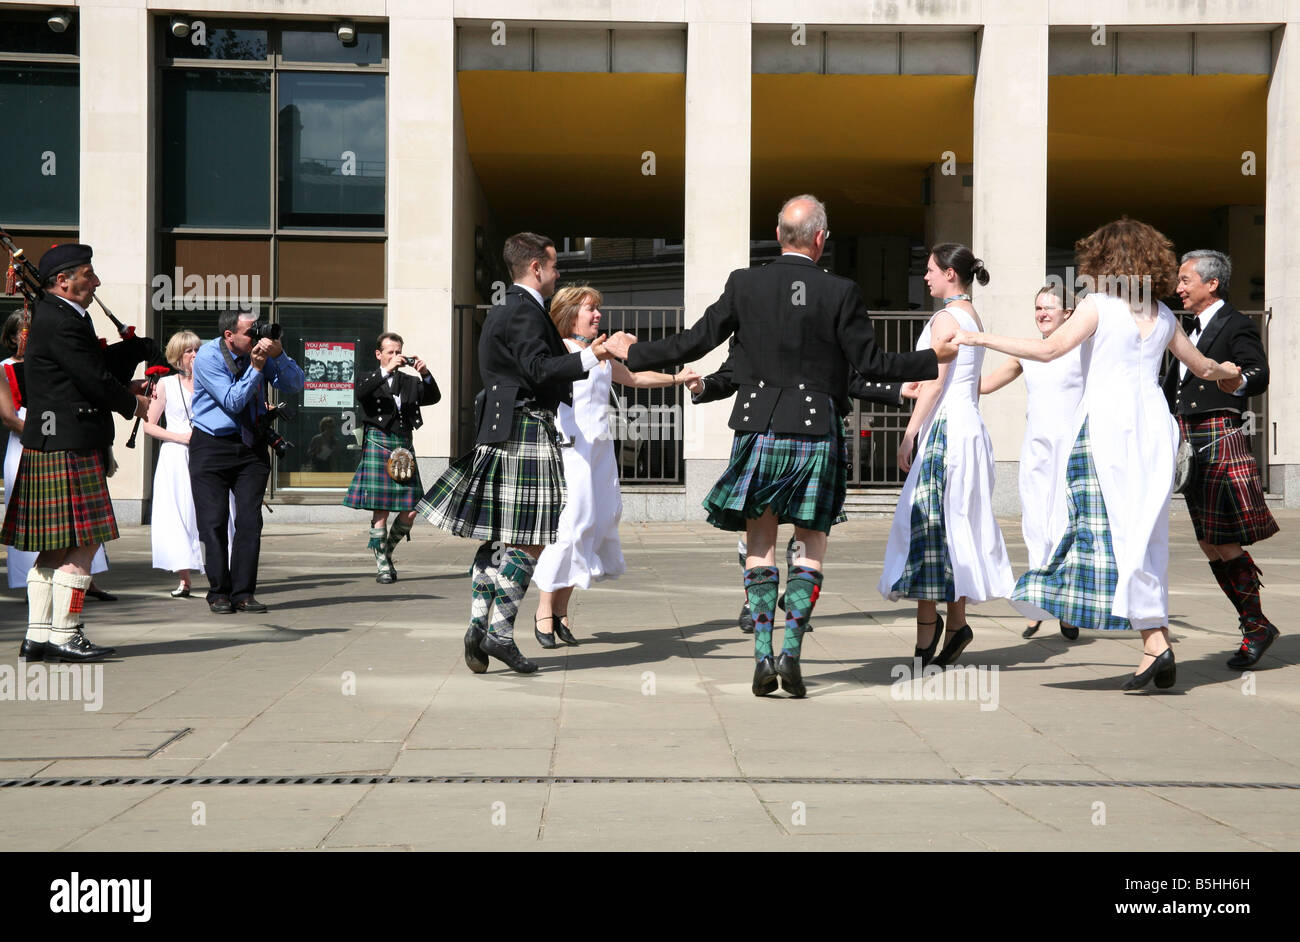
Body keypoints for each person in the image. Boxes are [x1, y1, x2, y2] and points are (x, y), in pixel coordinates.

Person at [603, 195, 953, 698]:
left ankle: (762, 657)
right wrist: (931, 359)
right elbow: (870, 363)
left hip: (758, 427)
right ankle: (791, 653)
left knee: (760, 545)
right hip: (816, 431)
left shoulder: (745, 284)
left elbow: (693, 342)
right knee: (810, 545)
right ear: (819, 238)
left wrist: (633, 352)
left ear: (778, 233)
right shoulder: (841, 291)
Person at [953, 218, 1242, 690]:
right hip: (1153, 428)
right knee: (1144, 536)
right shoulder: (1164, 315)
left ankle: (1147, 637)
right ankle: (1155, 641)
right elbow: (1202, 365)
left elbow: (1049, 351)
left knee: (1101, 529)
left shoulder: (1099, 306)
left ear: (1105, 261)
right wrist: (1227, 371)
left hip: (1107, 425)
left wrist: (981, 338)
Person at [418, 233, 630, 675]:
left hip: (503, 427)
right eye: (554, 267)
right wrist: (593, 354)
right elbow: (539, 369)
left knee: (499, 537)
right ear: (536, 267)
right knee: (532, 537)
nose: (557, 274)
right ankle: (498, 633)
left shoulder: (509, 309)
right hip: (522, 428)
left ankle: (479, 626)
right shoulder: (525, 311)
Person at [690, 339, 914, 634]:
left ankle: (795, 601)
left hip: (813, 430)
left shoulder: (820, 318)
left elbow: (846, 377)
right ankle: (754, 603)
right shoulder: (752, 317)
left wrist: (896, 389)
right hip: (763, 429)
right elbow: (732, 373)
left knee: (806, 527)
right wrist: (703, 386)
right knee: (756, 527)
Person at [1, 244, 149, 661]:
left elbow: (86, 373)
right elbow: (92, 379)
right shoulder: (63, 320)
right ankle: (66, 634)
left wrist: (126, 377)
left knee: (53, 547)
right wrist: (131, 403)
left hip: (55, 443)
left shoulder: (53, 315)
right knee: (85, 542)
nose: (96, 281)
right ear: (62, 281)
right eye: (89, 274)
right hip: (69, 443)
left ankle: (37, 635)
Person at [531, 285, 699, 647]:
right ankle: (544, 611)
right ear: (569, 313)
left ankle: (560, 612)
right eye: (591, 309)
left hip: (599, 451)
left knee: (594, 524)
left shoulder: (602, 356)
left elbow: (635, 378)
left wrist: (677, 379)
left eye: (598, 310)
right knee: (570, 527)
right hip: (571, 449)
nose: (598, 316)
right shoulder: (562, 351)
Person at [877, 244, 1014, 668]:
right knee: (955, 526)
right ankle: (955, 625)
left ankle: (929, 635)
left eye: (931, 269)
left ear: (951, 274)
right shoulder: (972, 316)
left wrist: (908, 433)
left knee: (926, 526)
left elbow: (935, 382)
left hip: (946, 431)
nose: (926, 277)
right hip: (969, 428)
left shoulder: (945, 317)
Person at [1164, 250, 1279, 669]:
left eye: (1185, 280)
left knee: (1223, 540)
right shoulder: (1181, 328)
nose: (1178, 288)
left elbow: (1259, 373)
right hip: (1188, 437)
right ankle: (1255, 625)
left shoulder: (1236, 324)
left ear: (1211, 284)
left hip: (1217, 434)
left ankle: (1255, 625)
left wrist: (1235, 379)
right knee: (1208, 541)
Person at [976, 285, 1084, 640]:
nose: (1041, 313)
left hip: (1070, 450)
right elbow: (987, 384)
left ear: (1068, 312)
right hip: (1037, 450)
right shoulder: (1028, 352)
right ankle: (1038, 604)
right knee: (1036, 523)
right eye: (1037, 307)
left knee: (1066, 525)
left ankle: (1068, 606)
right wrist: (943, 379)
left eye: (1048, 307)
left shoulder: (1083, 349)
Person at [189, 310, 305, 614]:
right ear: (230, 335)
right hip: (211, 445)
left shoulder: (261, 353)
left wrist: (279, 356)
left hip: (250, 444)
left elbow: (295, 385)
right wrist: (256, 367)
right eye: (250, 332)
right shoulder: (208, 357)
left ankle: (243, 593)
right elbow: (232, 401)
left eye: (259, 331)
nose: (257, 338)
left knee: (249, 521)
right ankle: (218, 592)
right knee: (213, 522)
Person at [141, 330, 233, 598]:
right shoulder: (167, 384)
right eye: (188, 351)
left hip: (209, 453)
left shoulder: (212, 380)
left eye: (197, 349)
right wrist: (179, 437)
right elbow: (148, 426)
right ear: (177, 356)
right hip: (176, 455)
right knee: (179, 512)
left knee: (215, 511)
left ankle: (219, 574)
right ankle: (184, 578)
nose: (194, 355)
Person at [344, 332, 440, 584]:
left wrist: (425, 373)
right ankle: (382, 565)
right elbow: (361, 393)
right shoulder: (369, 378)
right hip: (378, 442)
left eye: (399, 352)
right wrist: (385, 371)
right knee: (381, 509)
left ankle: (386, 549)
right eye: (391, 352)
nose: (396, 356)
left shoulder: (408, 381)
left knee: (411, 510)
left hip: (403, 446)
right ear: (379, 354)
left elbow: (433, 397)